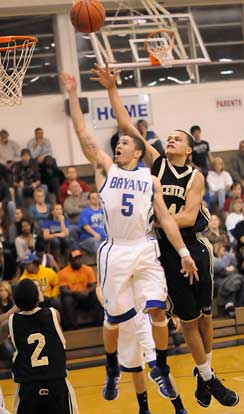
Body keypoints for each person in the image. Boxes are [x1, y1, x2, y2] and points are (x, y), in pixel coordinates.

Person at [95, 63, 239, 407]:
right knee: (188, 319)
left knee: (206, 317)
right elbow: (126, 125)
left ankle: (203, 373)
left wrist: (156, 216)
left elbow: (189, 217)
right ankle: (208, 378)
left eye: (177, 138)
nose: (170, 139)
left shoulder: (196, 176)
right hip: (166, 253)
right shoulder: (157, 163)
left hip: (195, 247)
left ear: (188, 150)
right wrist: (112, 89)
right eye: (169, 136)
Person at [60, 71, 197, 402]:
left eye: (123, 143)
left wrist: (183, 253)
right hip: (115, 251)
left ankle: (161, 368)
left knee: (158, 312)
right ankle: (111, 369)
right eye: (117, 143)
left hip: (144, 247)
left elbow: (165, 219)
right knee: (113, 320)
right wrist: (74, 95)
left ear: (137, 152)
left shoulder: (150, 181)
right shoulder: (108, 168)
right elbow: (82, 132)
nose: (117, 145)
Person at [96, 283, 187, 414]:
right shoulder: (105, 263)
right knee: (135, 366)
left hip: (142, 312)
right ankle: (144, 410)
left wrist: (173, 312)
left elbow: (155, 279)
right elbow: (99, 287)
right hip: (121, 315)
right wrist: (106, 305)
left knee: (157, 363)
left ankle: (180, 408)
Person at [0, 279, 78, 414]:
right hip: (57, 385)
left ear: (15, 300)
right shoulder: (54, 314)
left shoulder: (10, 323)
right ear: (37, 297)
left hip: (28, 388)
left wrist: (13, 309)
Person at [59, 247, 101, 329]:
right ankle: (72, 327)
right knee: (67, 300)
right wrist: (76, 293)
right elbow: (63, 290)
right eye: (76, 259)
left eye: (79, 258)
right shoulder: (63, 273)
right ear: (70, 261)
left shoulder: (87, 269)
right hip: (73, 297)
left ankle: (99, 323)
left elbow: (93, 284)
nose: (79, 260)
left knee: (97, 295)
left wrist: (87, 291)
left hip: (86, 296)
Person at [213, 241, 244, 318]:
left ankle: (230, 306)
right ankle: (232, 307)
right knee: (238, 280)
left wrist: (225, 270)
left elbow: (235, 268)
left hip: (230, 279)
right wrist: (226, 269)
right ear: (217, 249)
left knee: (237, 280)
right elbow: (218, 266)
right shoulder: (213, 259)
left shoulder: (226, 258)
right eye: (223, 250)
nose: (225, 252)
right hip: (219, 280)